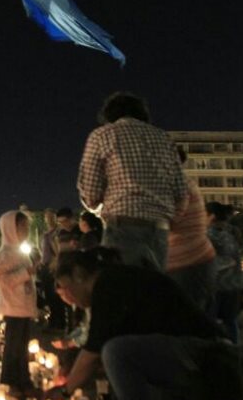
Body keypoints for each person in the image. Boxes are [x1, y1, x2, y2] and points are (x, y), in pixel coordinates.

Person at [52, 248, 242, 400]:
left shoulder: (109, 285)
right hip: (191, 359)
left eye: (65, 288)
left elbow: (93, 353)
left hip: (208, 356)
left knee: (116, 352)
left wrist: (64, 392)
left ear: (79, 274)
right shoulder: (119, 280)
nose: (66, 297)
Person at [77, 92, 188, 269]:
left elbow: (90, 193)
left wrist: (98, 209)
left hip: (122, 229)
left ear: (109, 115)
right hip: (160, 231)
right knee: (152, 292)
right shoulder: (164, 138)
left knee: (122, 291)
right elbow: (181, 194)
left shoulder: (102, 135)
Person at [166, 151, 215, 314]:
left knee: (184, 321)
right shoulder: (184, 182)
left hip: (186, 262)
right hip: (193, 260)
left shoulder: (175, 182)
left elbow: (169, 220)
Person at [0, 210, 37, 397]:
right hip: (13, 307)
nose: (26, 231)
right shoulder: (5, 254)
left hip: (23, 307)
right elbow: (3, 279)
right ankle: (10, 381)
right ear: (10, 229)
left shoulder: (19, 251)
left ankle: (23, 379)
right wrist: (26, 272)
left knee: (22, 347)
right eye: (22, 227)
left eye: (27, 227)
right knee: (13, 348)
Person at [205, 202, 243, 344]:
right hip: (233, 286)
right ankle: (234, 351)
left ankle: (211, 351)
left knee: (209, 321)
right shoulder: (231, 234)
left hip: (216, 285)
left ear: (211, 216)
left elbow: (214, 260)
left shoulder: (209, 234)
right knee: (231, 322)